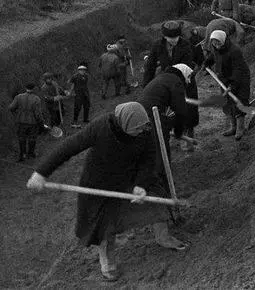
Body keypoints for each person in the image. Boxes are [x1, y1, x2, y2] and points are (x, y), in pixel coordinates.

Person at [26, 102, 157, 281]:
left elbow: (149, 158)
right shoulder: (101, 127)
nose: (141, 132)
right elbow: (68, 147)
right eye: (136, 129)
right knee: (104, 225)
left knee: (147, 204)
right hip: (97, 182)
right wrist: (41, 172)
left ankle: (161, 236)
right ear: (124, 124)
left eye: (142, 129)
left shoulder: (145, 130)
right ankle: (107, 260)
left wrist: (141, 184)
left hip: (127, 179)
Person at [139, 65, 192, 249]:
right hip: (152, 127)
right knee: (160, 168)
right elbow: (181, 110)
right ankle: (165, 215)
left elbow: (166, 112)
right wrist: (177, 131)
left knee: (158, 165)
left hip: (143, 122)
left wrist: (168, 122)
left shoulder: (161, 79)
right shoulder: (175, 82)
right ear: (184, 76)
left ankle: (166, 208)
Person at [143, 21, 199, 139]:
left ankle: (190, 129)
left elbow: (187, 65)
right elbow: (150, 66)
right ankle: (177, 129)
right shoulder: (157, 45)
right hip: (168, 80)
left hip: (185, 78)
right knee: (173, 106)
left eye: (176, 37)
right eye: (170, 38)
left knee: (189, 106)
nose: (173, 40)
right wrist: (146, 85)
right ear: (164, 36)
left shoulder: (186, 45)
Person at [205, 30, 251, 142]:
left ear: (224, 41)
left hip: (240, 79)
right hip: (224, 79)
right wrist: (206, 63)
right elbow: (212, 57)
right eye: (214, 43)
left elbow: (238, 69)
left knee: (239, 101)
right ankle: (233, 127)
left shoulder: (234, 51)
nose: (216, 45)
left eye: (218, 43)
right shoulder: (215, 49)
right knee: (228, 102)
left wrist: (233, 85)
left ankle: (241, 128)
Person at [8, 83, 45, 161]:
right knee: (32, 138)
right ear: (34, 88)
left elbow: (11, 108)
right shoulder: (36, 99)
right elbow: (38, 114)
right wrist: (41, 123)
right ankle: (31, 154)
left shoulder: (18, 97)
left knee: (22, 139)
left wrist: (16, 114)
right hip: (33, 123)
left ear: (25, 88)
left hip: (20, 121)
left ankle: (22, 155)